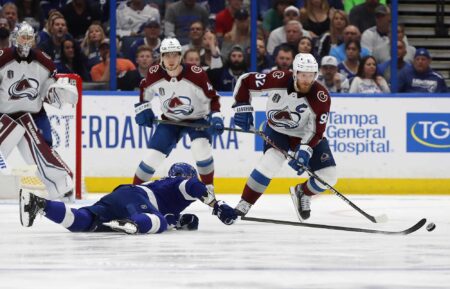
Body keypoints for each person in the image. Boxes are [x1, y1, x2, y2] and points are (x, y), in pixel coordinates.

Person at [232, 53, 337, 221]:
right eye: (303, 75)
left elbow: (316, 130)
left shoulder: (321, 96)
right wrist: (242, 107)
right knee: (270, 162)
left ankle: (302, 192)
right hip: (277, 131)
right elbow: (245, 81)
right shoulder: (277, 78)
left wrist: (304, 151)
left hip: (304, 134)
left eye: (311, 76)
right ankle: (244, 203)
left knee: (329, 176)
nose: (306, 80)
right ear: (295, 73)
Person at [20, 162, 238, 234]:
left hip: (119, 196)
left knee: (83, 221)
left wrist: (180, 221)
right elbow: (193, 186)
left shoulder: (164, 189)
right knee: (157, 223)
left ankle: (40, 204)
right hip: (137, 199)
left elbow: (168, 214)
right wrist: (217, 205)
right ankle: (132, 223)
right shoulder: (178, 184)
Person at [133, 37, 224, 195]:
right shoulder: (154, 73)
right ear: (161, 57)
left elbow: (212, 98)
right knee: (153, 156)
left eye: (175, 55)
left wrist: (216, 116)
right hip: (170, 121)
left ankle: (209, 188)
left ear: (180, 56)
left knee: (200, 149)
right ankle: (132, 192)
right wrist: (143, 107)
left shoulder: (196, 74)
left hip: (198, 119)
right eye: (167, 55)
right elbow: (144, 87)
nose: (171, 59)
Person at [0, 22, 79, 201]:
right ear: (14, 38)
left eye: (29, 37)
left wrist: (56, 92)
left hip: (32, 116)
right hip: (4, 117)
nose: (26, 41)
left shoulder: (44, 61)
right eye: (23, 37)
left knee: (43, 152)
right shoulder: (3, 58)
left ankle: (61, 187)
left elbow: (47, 90)